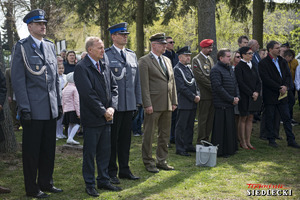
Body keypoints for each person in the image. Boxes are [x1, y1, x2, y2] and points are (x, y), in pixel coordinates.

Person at [11, 9, 63, 198]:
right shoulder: (22, 47)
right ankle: (32, 188)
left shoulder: (49, 46)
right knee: (32, 152)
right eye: (39, 23)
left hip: (49, 108)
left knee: (49, 149)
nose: (43, 26)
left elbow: (55, 78)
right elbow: (18, 81)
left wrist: (58, 102)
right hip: (32, 109)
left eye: (44, 23)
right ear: (29, 26)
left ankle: (46, 182)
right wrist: (24, 107)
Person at [74, 37, 120, 197]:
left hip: (107, 117)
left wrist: (112, 108)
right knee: (90, 154)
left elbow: (114, 87)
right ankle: (90, 184)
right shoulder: (81, 68)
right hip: (93, 118)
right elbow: (88, 94)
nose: (103, 50)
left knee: (104, 152)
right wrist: (103, 111)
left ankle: (104, 180)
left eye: (103, 47)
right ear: (90, 50)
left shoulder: (104, 65)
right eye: (100, 48)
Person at [105, 22, 142, 184]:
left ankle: (125, 169)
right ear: (113, 36)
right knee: (113, 140)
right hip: (114, 106)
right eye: (122, 34)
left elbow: (137, 82)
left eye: (126, 34)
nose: (125, 36)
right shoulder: (106, 55)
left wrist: (138, 102)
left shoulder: (132, 55)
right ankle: (111, 171)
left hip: (129, 105)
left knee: (126, 140)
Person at [139, 33, 177, 173]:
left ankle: (162, 160)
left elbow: (171, 82)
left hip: (167, 103)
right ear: (153, 45)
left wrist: (174, 101)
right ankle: (148, 161)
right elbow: (144, 85)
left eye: (165, 44)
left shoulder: (167, 60)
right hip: (153, 104)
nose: (165, 46)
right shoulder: (144, 61)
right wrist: (147, 104)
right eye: (162, 44)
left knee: (164, 134)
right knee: (149, 135)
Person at [258, 40, 300, 149]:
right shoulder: (263, 63)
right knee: (270, 117)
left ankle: (291, 140)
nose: (279, 49)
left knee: (286, 117)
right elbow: (266, 79)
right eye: (277, 48)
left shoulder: (282, 61)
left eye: (279, 47)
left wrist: (285, 86)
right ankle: (271, 138)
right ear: (270, 49)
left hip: (283, 94)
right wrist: (278, 87)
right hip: (271, 94)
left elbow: (287, 75)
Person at [210, 48, 239, 157]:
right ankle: (221, 151)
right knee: (220, 129)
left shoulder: (230, 69)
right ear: (221, 58)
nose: (230, 58)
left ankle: (230, 149)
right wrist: (230, 99)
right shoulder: (216, 70)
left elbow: (235, 83)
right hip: (221, 104)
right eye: (227, 56)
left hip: (230, 103)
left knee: (230, 127)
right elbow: (218, 88)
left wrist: (237, 96)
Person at [174, 46, 200, 156]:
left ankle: (188, 144)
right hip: (184, 102)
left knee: (190, 125)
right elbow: (181, 87)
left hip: (192, 102)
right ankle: (180, 148)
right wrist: (193, 96)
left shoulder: (188, 68)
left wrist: (197, 94)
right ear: (180, 57)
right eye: (186, 55)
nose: (189, 57)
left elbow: (194, 83)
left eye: (189, 55)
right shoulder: (177, 69)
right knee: (181, 126)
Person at [235, 47, 261, 150]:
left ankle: (249, 141)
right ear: (243, 55)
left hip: (254, 96)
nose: (251, 55)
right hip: (244, 96)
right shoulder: (239, 67)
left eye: (252, 53)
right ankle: (242, 141)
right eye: (249, 53)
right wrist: (251, 93)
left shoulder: (253, 65)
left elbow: (259, 80)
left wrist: (257, 92)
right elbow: (240, 83)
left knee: (250, 117)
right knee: (243, 117)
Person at [192, 39, 214, 143]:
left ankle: (206, 138)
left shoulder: (210, 59)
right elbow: (200, 77)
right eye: (208, 48)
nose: (211, 49)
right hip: (204, 93)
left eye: (211, 47)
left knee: (210, 118)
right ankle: (200, 139)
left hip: (212, 94)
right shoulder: (196, 60)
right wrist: (213, 87)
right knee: (203, 118)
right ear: (203, 48)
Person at [163, 36, 179, 146]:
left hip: (176, 87)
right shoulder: (164, 56)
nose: (172, 44)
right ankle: (168, 137)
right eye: (170, 42)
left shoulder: (176, 55)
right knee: (167, 115)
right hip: (166, 87)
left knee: (175, 115)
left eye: (173, 42)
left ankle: (173, 136)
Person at [62, 72, 80, 145]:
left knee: (70, 124)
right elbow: (76, 102)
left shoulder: (64, 89)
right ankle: (70, 138)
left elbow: (63, 101)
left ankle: (69, 137)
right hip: (73, 109)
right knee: (77, 124)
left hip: (66, 109)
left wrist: (64, 110)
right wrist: (79, 113)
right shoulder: (74, 89)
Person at [56, 64, 67, 139]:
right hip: (57, 97)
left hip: (65, 98)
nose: (61, 70)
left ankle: (60, 132)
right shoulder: (55, 77)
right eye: (59, 68)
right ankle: (56, 133)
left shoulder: (66, 77)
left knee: (62, 116)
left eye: (62, 68)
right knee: (57, 116)